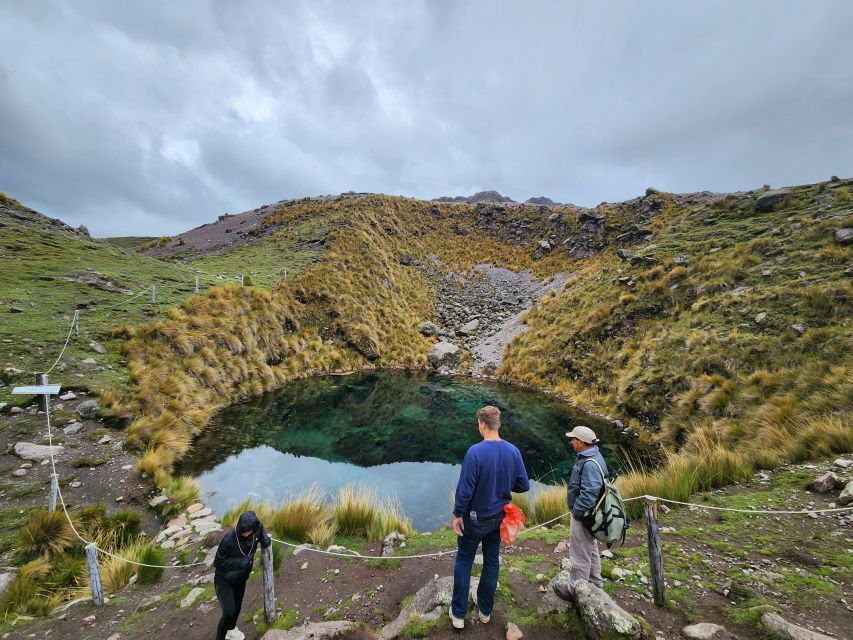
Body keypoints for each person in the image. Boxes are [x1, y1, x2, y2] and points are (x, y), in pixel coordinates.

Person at [450, 406, 530, 629]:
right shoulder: (513, 451)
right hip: (499, 518)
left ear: (482, 424)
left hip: (474, 519)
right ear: (498, 424)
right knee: (491, 560)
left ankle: (458, 615)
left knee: (465, 559)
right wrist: (502, 484)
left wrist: (457, 514)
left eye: (478, 424)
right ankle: (485, 611)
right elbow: (523, 485)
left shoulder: (474, 452)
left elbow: (465, 491)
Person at [553, 425, 608, 601]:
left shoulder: (589, 463)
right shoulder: (594, 455)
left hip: (584, 515)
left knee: (578, 551)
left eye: (574, 439)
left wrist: (577, 513)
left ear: (581, 442)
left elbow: (589, 493)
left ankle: (574, 588)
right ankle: (595, 582)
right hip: (590, 515)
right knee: (590, 547)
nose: (571, 442)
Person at [213, 510, 271, 640]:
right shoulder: (229, 538)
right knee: (229, 612)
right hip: (224, 580)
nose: (243, 533)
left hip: (241, 579)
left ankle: (231, 630)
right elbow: (218, 562)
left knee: (237, 608)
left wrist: (266, 542)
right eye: (242, 530)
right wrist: (242, 561)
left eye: (246, 531)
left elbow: (261, 533)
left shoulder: (257, 528)